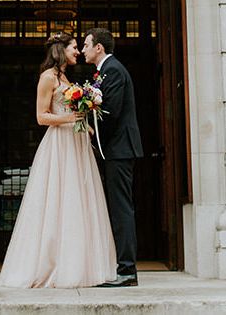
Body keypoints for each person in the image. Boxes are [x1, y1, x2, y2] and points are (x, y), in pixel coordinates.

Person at [0, 32, 116, 289]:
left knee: (78, 199)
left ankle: (78, 263)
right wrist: (70, 119)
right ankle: (51, 265)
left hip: (76, 143)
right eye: (75, 47)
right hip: (59, 144)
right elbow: (42, 117)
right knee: (58, 198)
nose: (78, 52)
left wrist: (85, 122)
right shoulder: (47, 78)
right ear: (61, 50)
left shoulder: (65, 78)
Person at [82, 27, 143, 287]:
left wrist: (91, 130)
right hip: (115, 149)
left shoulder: (114, 70)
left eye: (86, 44)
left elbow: (110, 112)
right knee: (118, 208)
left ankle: (127, 270)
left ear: (99, 48)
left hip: (120, 149)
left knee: (121, 209)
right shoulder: (104, 71)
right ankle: (122, 267)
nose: (83, 49)